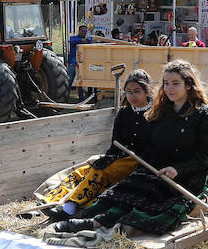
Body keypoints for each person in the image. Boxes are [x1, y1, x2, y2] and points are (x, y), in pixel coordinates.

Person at [52, 60, 208, 237]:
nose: (169, 88)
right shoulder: (162, 112)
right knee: (127, 189)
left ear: (189, 85)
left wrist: (177, 169)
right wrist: (143, 167)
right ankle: (91, 218)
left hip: (189, 174)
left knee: (152, 198)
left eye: (175, 83)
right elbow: (154, 146)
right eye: (166, 84)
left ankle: (98, 223)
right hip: (159, 168)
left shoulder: (205, 115)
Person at [40, 69, 155, 219]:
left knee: (100, 172)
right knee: (81, 172)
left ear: (147, 91)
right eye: (128, 91)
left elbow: (154, 147)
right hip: (119, 158)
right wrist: (108, 158)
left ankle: (70, 206)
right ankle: (48, 203)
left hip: (139, 162)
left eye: (137, 91)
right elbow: (116, 143)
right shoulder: (124, 113)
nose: (132, 96)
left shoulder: (154, 114)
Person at [66, 25, 90, 100]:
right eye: (83, 30)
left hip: (81, 63)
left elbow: (90, 41)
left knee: (80, 82)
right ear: (79, 31)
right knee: (68, 81)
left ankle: (81, 99)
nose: (84, 32)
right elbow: (71, 41)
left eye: (86, 31)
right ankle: (65, 97)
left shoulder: (87, 40)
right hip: (73, 63)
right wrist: (81, 40)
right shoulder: (73, 38)